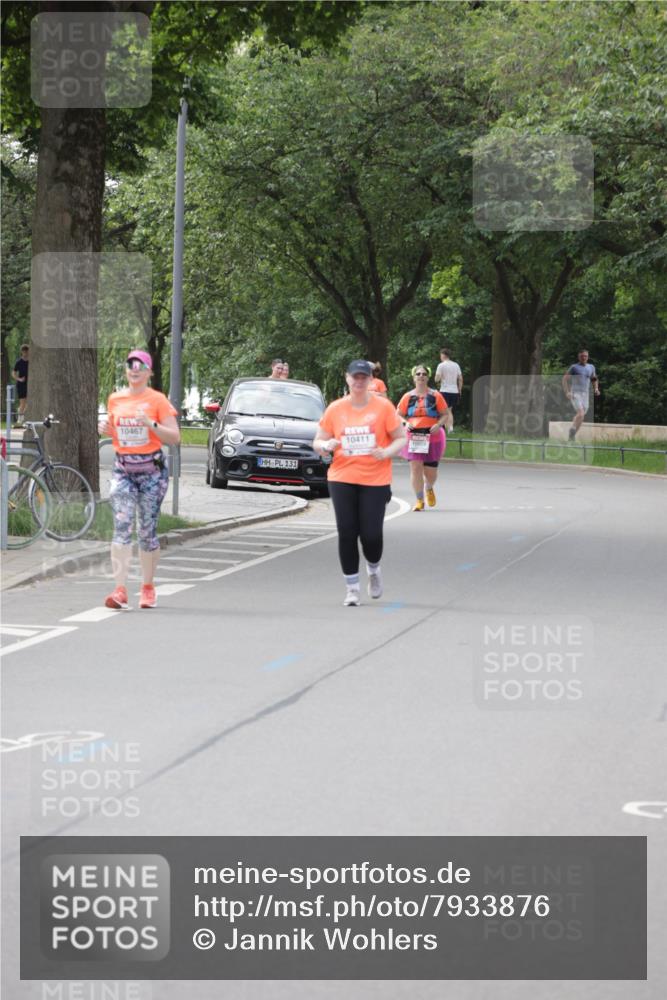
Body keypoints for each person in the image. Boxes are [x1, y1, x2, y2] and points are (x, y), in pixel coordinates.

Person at [313, 359, 406, 607]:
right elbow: (318, 441)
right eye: (355, 377)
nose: (359, 381)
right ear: (347, 378)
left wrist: (386, 452)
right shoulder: (336, 409)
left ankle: (373, 570)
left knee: (371, 535)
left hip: (375, 478)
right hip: (342, 477)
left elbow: (401, 437)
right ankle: (352, 588)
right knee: (347, 532)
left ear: (370, 380)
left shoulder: (383, 407)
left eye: (364, 377)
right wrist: (326, 445)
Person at [98, 350, 180, 610]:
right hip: (123, 470)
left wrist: (150, 424)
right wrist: (108, 430)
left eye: (140, 366)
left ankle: (147, 587)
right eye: (130, 365)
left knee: (146, 531)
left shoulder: (158, 400)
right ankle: (120, 590)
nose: (135, 369)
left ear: (149, 372)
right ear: (126, 371)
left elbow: (174, 437)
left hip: (152, 472)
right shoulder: (115, 399)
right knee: (121, 526)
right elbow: (118, 434)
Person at [397, 365, 449, 511]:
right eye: (418, 374)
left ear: (428, 377)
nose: (421, 376)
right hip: (413, 436)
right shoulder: (407, 396)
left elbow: (445, 414)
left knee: (430, 472)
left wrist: (439, 424)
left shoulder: (436, 395)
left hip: (433, 437)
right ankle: (419, 500)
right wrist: (405, 423)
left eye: (424, 374)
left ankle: (429, 487)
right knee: (415, 468)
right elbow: (398, 414)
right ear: (414, 377)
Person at [562, 348, 600, 441]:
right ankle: (572, 429)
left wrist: (596, 388)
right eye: (582, 356)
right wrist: (567, 392)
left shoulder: (591, 367)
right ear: (579, 357)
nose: (584, 358)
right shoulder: (574, 367)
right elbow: (564, 379)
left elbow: (594, 379)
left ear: (588, 357)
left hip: (585, 394)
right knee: (581, 413)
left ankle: (572, 435)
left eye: (585, 356)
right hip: (575, 393)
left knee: (581, 416)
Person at [434, 347, 462, 430]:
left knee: (444, 411)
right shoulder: (456, 365)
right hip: (454, 391)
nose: (440, 357)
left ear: (443, 355)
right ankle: (450, 428)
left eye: (440, 355)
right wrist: (460, 390)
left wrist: (437, 378)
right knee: (449, 410)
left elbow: (437, 379)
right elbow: (460, 379)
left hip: (444, 391)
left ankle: (445, 428)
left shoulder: (441, 365)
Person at [12, 344, 29, 425]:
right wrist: (19, 379)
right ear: (21, 352)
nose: (25, 353)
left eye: (27, 351)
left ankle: (20, 412)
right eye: (24, 351)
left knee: (28, 403)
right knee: (23, 403)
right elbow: (13, 373)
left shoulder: (31, 361)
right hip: (21, 384)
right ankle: (19, 420)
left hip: (29, 384)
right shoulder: (18, 362)